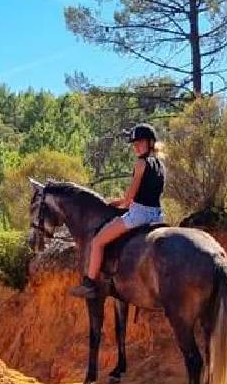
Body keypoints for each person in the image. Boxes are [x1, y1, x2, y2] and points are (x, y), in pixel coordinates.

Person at [69, 123, 165, 298]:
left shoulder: (141, 163)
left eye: (140, 142)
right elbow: (145, 194)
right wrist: (121, 201)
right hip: (157, 215)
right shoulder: (160, 165)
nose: (136, 147)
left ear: (150, 143)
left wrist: (118, 204)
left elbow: (130, 200)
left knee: (97, 241)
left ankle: (89, 284)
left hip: (138, 215)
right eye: (134, 144)